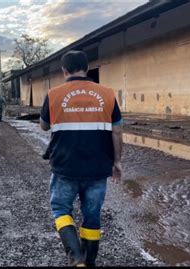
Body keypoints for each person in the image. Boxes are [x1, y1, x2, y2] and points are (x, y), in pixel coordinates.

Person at [40, 50, 123, 267]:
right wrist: (117, 161)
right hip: (98, 167)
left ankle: (76, 257)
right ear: (86, 68)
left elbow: (44, 125)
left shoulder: (53, 94)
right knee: (92, 214)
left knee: (60, 208)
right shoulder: (107, 94)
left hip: (65, 166)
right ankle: (90, 261)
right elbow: (117, 131)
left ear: (64, 70)